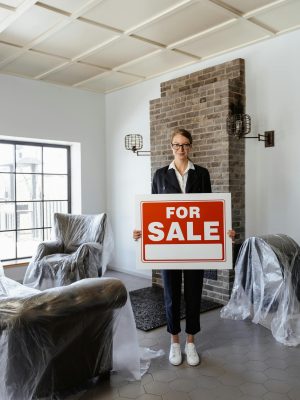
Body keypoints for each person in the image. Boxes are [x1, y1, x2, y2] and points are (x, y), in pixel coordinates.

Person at [133, 128, 235, 367]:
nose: (181, 149)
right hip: (169, 248)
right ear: (171, 147)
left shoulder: (202, 174)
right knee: (170, 296)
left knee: (193, 294)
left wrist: (223, 231)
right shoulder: (159, 175)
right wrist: (142, 231)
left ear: (191, 146)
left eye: (185, 144)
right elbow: (154, 211)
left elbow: (209, 210)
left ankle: (191, 342)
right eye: (177, 145)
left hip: (195, 247)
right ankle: (174, 342)